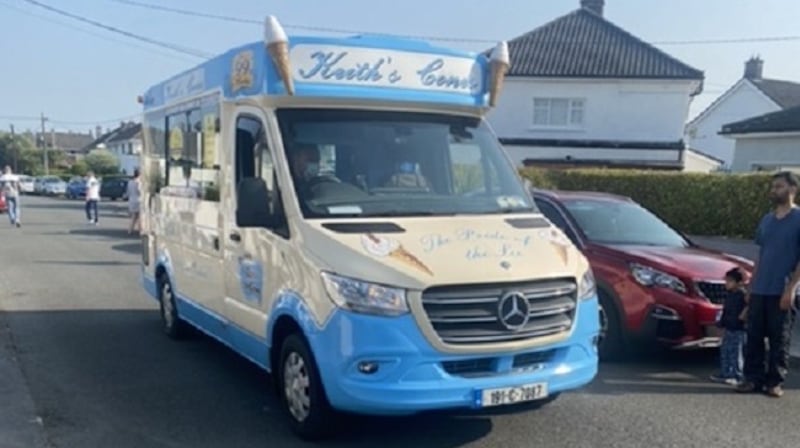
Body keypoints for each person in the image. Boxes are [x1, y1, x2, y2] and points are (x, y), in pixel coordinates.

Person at [736, 171, 800, 398]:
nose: (774, 191)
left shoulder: (798, 219)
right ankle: (752, 378)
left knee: (779, 338)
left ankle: (774, 382)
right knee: (753, 336)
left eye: (779, 187)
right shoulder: (767, 220)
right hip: (761, 288)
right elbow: (761, 254)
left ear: (792, 190)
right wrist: (751, 286)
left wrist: (791, 289)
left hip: (781, 290)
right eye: (773, 187)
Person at [710, 267, 748, 385]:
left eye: (730, 281)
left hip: (739, 329)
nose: (727, 283)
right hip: (729, 327)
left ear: (740, 282)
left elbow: (749, 307)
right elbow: (725, 311)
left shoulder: (743, 295)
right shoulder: (730, 295)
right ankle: (725, 373)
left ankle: (737, 375)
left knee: (736, 352)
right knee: (725, 350)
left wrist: (743, 316)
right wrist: (721, 324)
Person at [127, 168, 141, 234]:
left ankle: (130, 230)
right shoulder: (138, 182)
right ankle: (139, 230)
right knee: (139, 216)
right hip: (138, 200)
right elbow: (139, 191)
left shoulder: (130, 182)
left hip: (131, 199)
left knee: (134, 216)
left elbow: (128, 192)